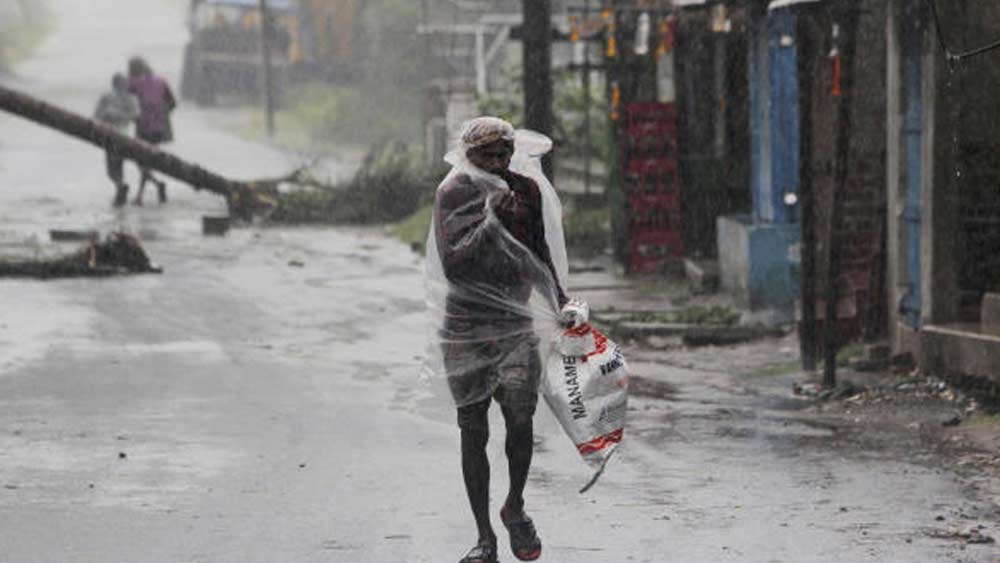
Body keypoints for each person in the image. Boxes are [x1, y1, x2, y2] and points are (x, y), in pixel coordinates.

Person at [426, 117, 574, 563]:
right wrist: (492, 221)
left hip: (515, 326)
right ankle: (484, 536)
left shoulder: (525, 191)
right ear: (469, 155)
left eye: (504, 154)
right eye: (487, 155)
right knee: (473, 430)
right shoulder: (454, 193)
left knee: (520, 420)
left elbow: (538, 253)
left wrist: (561, 301)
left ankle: (515, 505)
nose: (497, 162)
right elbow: (455, 264)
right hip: (465, 330)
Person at [127, 56, 176, 205]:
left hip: (143, 127)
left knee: (141, 160)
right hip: (158, 129)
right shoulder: (162, 81)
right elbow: (172, 103)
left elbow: (126, 101)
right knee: (147, 160)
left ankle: (144, 192)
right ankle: (150, 188)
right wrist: (161, 114)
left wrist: (134, 117)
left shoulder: (134, 83)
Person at [94, 73, 140, 207]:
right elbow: (136, 115)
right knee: (118, 164)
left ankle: (119, 187)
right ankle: (120, 187)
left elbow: (97, 115)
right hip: (122, 134)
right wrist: (122, 116)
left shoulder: (108, 98)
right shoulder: (129, 98)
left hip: (112, 135)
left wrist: (113, 115)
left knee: (111, 167)